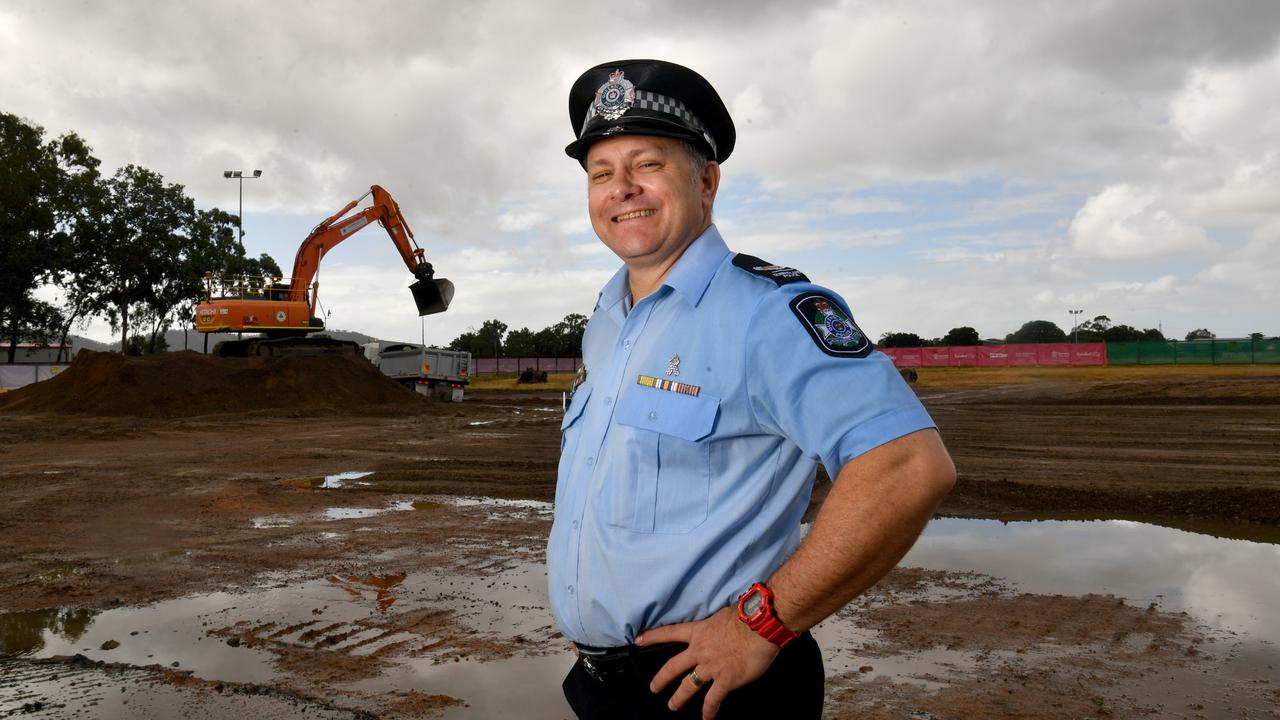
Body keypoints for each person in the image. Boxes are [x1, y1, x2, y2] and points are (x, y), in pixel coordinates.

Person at [547, 59, 956, 720]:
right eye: (601, 173)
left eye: (646, 164)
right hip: (607, 686)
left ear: (705, 181)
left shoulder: (769, 311)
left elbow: (907, 467)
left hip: (715, 690)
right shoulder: (608, 320)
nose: (621, 189)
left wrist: (761, 624)